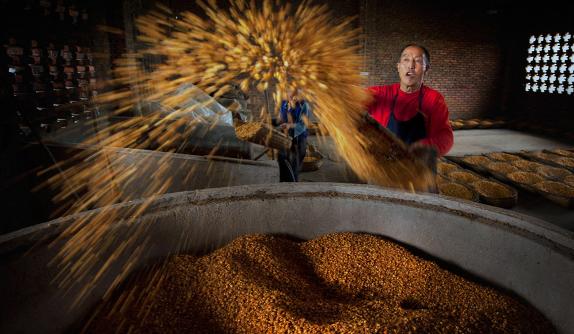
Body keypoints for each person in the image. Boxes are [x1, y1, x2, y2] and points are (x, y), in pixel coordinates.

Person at [367, 44, 453, 170]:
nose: (411, 66)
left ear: (426, 69)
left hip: (418, 170)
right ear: (398, 66)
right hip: (382, 170)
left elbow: (445, 136)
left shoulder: (433, 99)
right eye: (406, 59)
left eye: (418, 61)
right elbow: (351, 98)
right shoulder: (381, 94)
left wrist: (425, 147)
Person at [277, 89, 310, 182]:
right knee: (282, 159)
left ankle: (293, 186)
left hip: (299, 138)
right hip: (285, 137)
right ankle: (283, 183)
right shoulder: (284, 104)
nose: (293, 98)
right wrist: (277, 123)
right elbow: (280, 118)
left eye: (295, 96)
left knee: (294, 164)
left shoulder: (304, 105)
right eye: (290, 96)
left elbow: (303, 125)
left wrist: (289, 125)